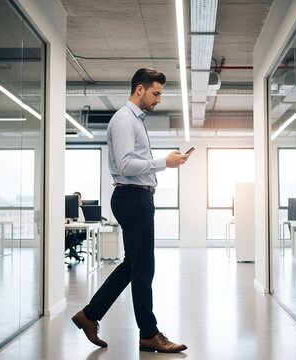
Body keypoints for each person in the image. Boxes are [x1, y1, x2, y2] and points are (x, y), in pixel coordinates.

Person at [71, 68, 190, 353]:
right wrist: (165, 162)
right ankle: (149, 334)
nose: (159, 99)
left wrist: (153, 176)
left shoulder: (135, 120)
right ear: (140, 89)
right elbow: (125, 166)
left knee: (133, 266)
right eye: (156, 93)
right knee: (143, 268)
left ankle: (89, 315)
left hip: (137, 197)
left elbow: (134, 165)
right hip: (132, 198)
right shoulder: (125, 120)